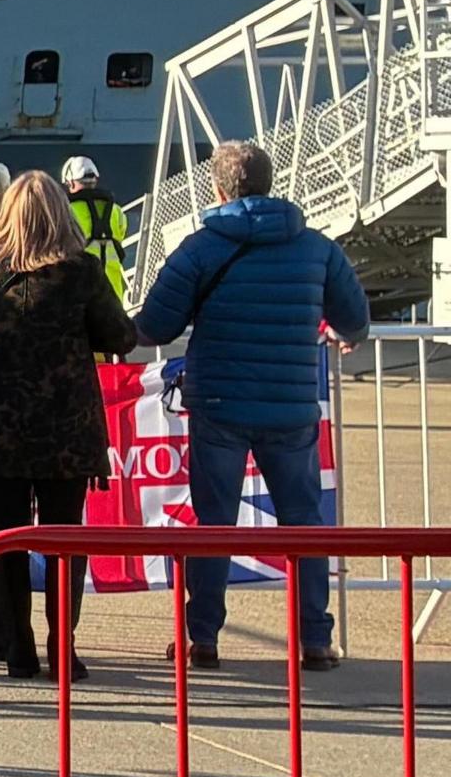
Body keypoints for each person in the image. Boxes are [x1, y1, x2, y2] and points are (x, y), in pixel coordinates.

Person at [133, 141, 369, 671]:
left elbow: (154, 326)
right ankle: (315, 639)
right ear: (269, 183)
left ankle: (203, 637)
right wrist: (338, 328)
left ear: (218, 188)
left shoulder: (199, 249)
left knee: (215, 522)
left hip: (218, 402)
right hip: (290, 406)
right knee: (303, 523)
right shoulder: (315, 247)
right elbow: (355, 316)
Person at [0, 170, 135, 681]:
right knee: (65, 536)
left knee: (5, 535)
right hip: (65, 427)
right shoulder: (82, 272)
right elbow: (121, 335)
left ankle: (18, 645)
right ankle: (62, 647)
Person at [58, 154, 130, 298]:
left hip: (81, 294)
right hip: (114, 295)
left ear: (71, 183)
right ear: (95, 180)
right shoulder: (116, 211)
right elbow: (120, 235)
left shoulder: (66, 212)